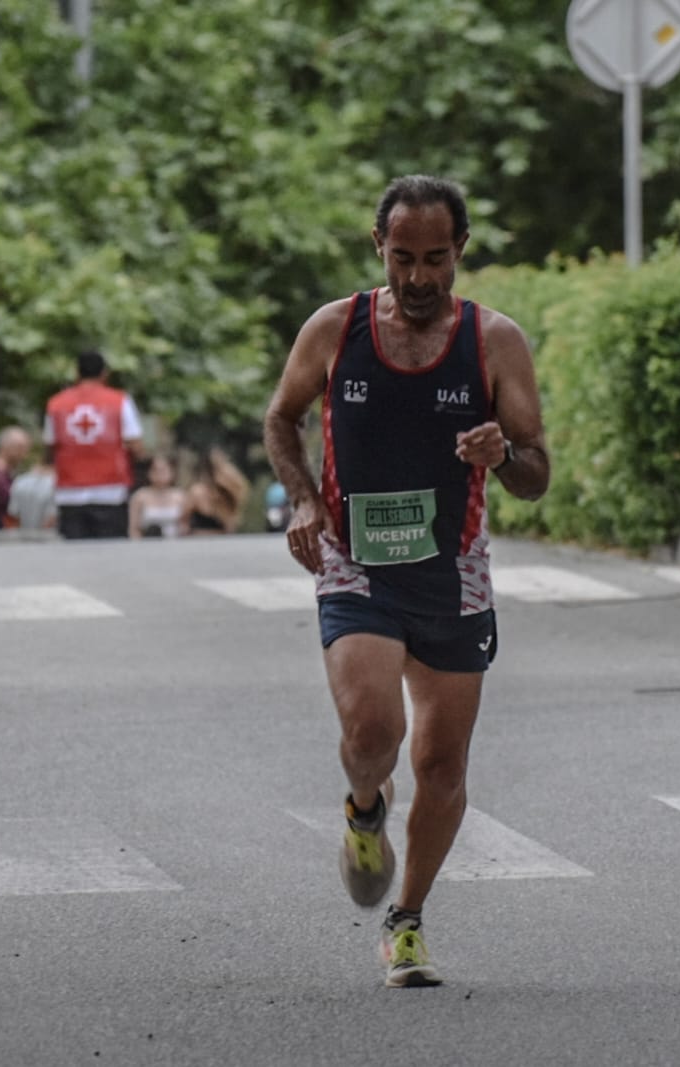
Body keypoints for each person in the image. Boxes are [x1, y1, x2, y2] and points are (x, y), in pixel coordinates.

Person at [263, 175, 549, 988]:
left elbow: (536, 471)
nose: (419, 278)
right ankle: (363, 809)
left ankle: (408, 919)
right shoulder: (336, 329)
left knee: (443, 766)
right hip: (356, 563)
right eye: (402, 258)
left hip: (451, 571)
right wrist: (306, 500)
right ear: (376, 248)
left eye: (435, 259)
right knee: (369, 732)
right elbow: (280, 416)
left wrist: (504, 456)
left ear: (460, 252)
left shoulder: (494, 341)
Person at [43, 350, 145, 539]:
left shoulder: (56, 404)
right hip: (111, 489)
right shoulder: (119, 401)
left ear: (77, 372)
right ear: (104, 373)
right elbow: (135, 444)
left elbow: (50, 444)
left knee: (75, 555)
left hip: (69, 491)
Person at [182, 447, 248, 535]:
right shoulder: (197, 492)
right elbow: (183, 522)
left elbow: (231, 525)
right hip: (198, 541)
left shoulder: (229, 492)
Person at [127, 453, 187, 539]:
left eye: (163, 470)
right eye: (155, 470)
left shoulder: (181, 496)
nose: (159, 474)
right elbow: (133, 529)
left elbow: (185, 525)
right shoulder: (139, 496)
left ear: (172, 471)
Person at [6, 448, 58, 532]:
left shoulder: (20, 481)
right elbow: (52, 520)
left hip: (24, 540)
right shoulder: (56, 484)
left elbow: (12, 517)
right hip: (49, 541)